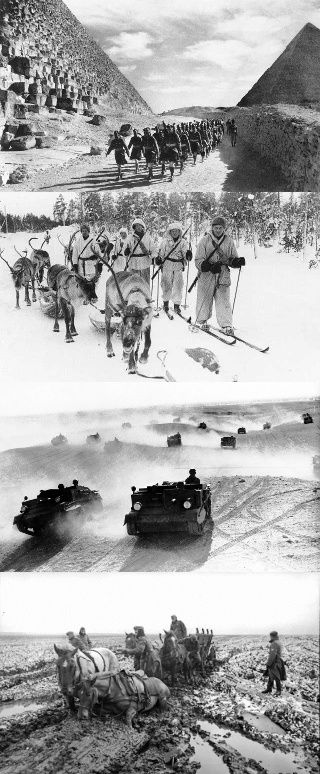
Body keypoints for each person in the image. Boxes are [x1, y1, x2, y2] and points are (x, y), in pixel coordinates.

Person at [195, 215, 245, 336]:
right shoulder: (204, 240)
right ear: (212, 228)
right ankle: (202, 320)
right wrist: (208, 266)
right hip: (207, 274)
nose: (218, 230)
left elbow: (232, 257)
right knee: (204, 298)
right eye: (216, 227)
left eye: (220, 228)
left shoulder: (229, 241)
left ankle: (226, 324)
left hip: (223, 273)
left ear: (224, 228)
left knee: (223, 299)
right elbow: (198, 260)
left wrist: (236, 262)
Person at [156, 221, 192, 314]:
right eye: (173, 231)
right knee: (166, 284)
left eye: (176, 231)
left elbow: (185, 255)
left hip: (178, 266)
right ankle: (165, 304)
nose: (175, 233)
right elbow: (161, 253)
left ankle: (176, 305)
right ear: (170, 232)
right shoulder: (165, 242)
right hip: (167, 265)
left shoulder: (183, 242)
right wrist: (159, 260)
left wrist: (188, 255)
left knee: (178, 286)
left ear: (179, 232)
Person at [123, 218, 157, 285]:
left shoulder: (148, 237)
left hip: (145, 262)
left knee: (145, 283)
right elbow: (125, 249)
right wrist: (126, 251)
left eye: (140, 225)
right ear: (134, 227)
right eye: (136, 225)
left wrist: (154, 257)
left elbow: (153, 249)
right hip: (133, 263)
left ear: (142, 227)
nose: (138, 227)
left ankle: (145, 295)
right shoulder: (130, 237)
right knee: (133, 284)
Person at [262, 631, 286, 696]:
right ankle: (269, 688)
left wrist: (268, 663)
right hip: (278, 660)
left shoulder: (274, 643)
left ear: (272, 636)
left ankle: (278, 690)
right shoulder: (278, 642)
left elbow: (272, 655)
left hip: (275, 661)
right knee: (271, 674)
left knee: (276, 675)